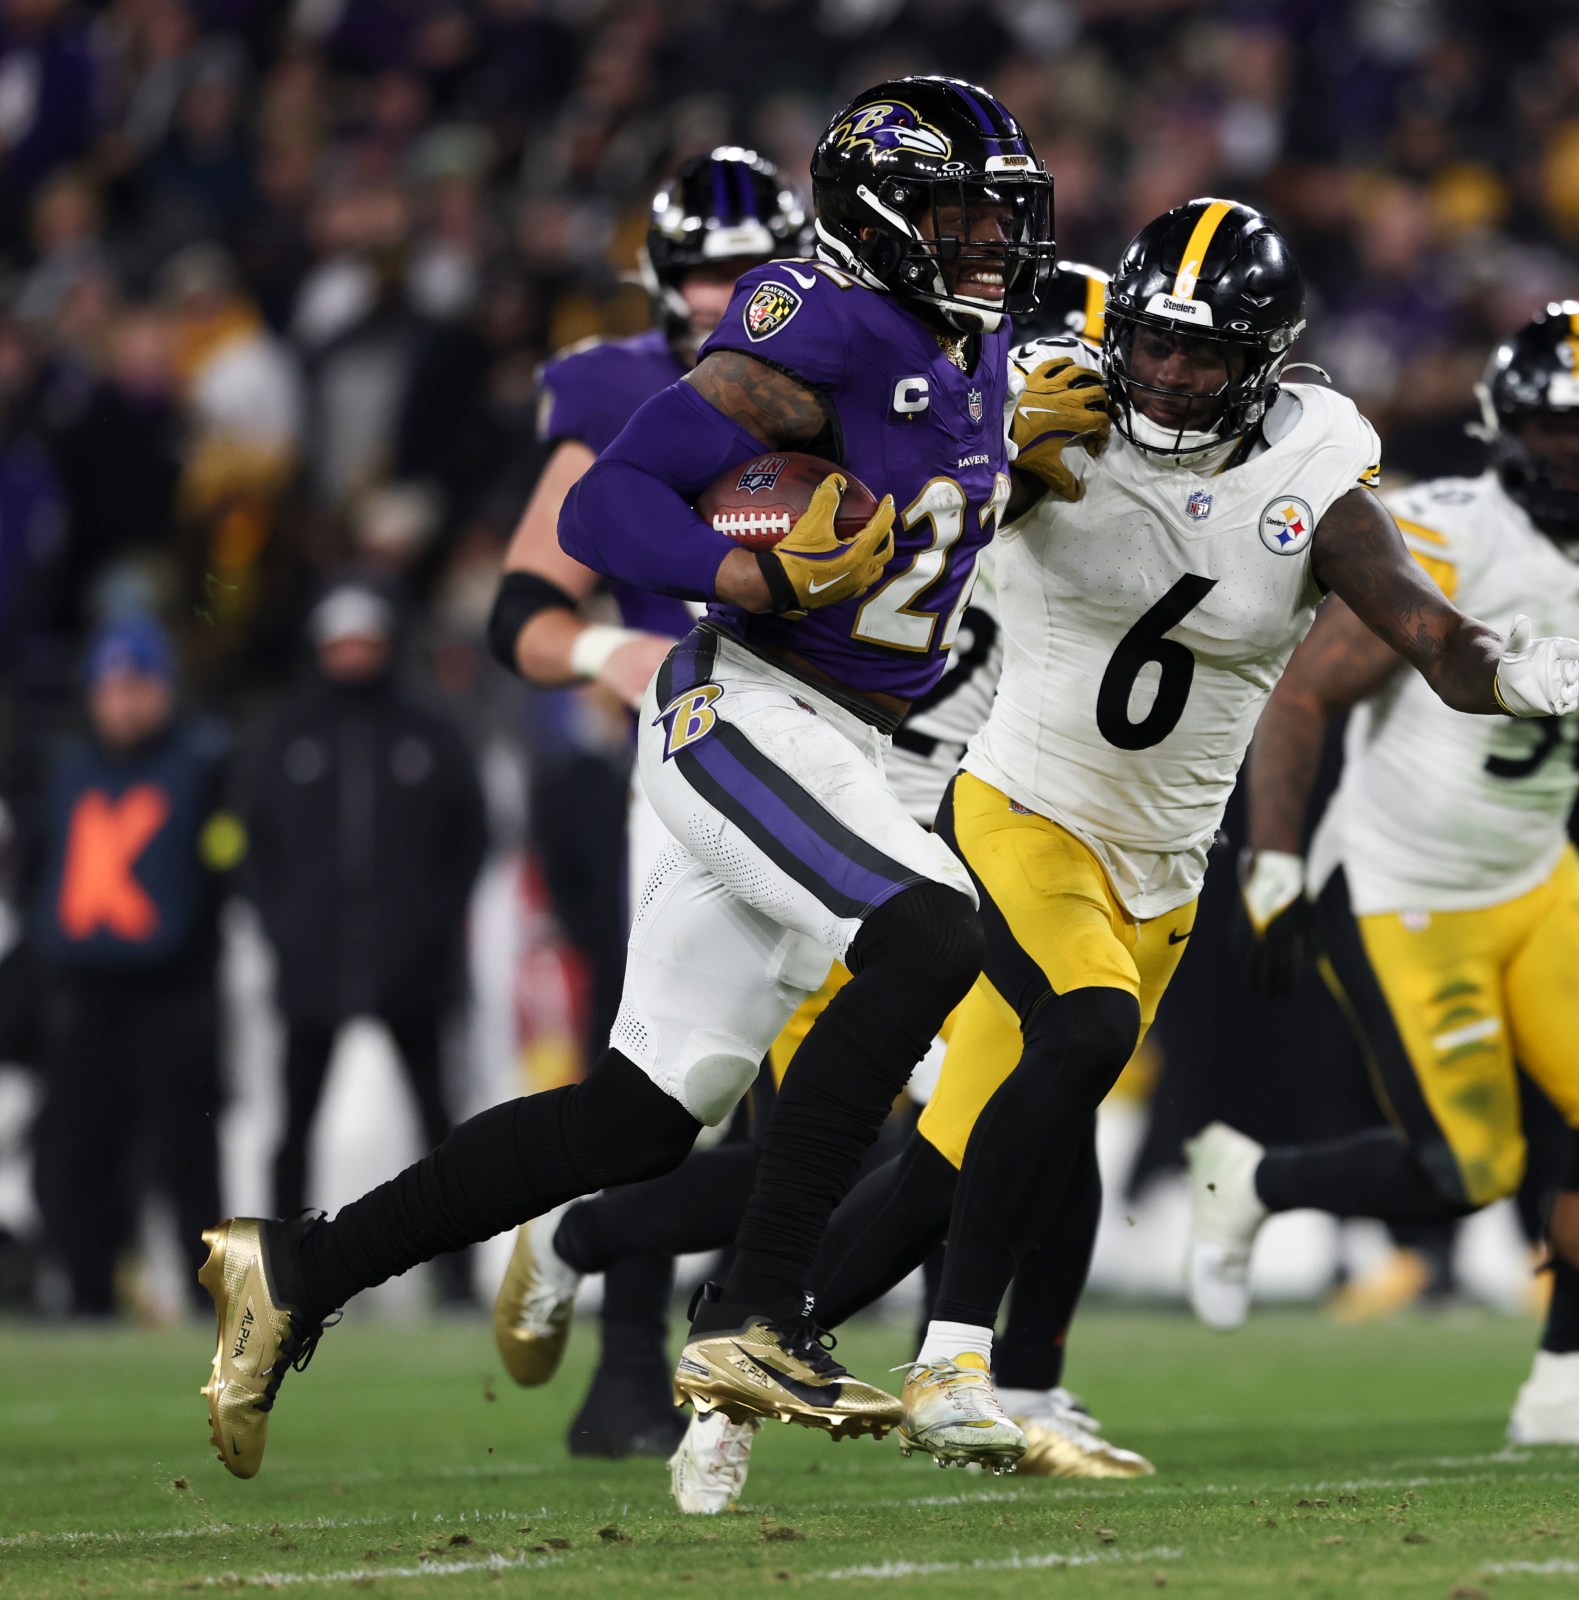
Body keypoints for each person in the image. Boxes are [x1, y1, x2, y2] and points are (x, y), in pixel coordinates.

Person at [196, 77, 1055, 1480]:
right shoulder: (814, 323)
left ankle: (300, 1268)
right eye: (958, 215)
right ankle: (760, 1312)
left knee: (640, 1118)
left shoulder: (990, 347)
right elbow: (605, 504)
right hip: (751, 707)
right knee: (930, 931)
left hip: (860, 746)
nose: (985, 244)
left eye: (998, 218)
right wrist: (744, 567)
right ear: (885, 220)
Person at [803, 199, 1579, 1475]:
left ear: (1263, 361)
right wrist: (982, 461)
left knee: (947, 1167)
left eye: (1205, 352)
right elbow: (893, 533)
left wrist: (1511, 674)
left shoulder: (1312, 468)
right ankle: (955, 1363)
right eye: (1157, 343)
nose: (1169, 373)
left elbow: (1432, 635)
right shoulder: (1052, 409)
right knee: (1089, 1027)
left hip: (1164, 864)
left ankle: (741, 1345)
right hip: (1021, 808)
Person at [494, 263, 1146, 1509]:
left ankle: (1001, 1373)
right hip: (821, 824)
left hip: (935, 835)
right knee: (826, 1153)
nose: (1081, 418)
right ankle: (626, 1276)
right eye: (1061, 387)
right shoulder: (918, 465)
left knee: (1033, 1106)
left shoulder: (1031, 504)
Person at [1182, 304, 1579, 1446]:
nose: (1572, 448)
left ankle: (1565, 1385)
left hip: (1535, 870)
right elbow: (1304, 692)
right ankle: (1249, 1180)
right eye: (1552, 423)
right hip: (1402, 882)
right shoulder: (1448, 534)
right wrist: (1270, 856)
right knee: (1469, 1165)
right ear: (1505, 424)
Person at [484, 146, 805, 1461]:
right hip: (687, 759)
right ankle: (627, 1365)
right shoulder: (620, 386)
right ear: (662, 282)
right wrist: (607, 652)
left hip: (852, 747)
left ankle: (743, 1341)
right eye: (705, 274)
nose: (728, 294)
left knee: (837, 1081)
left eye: (750, 270)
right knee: (676, 1077)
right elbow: (523, 607)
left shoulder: (850, 372)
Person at [241, 584, 488, 1304]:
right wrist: (286, 929)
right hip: (312, 967)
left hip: (414, 967)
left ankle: (456, 1274)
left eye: (365, 642)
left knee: (439, 1125)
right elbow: (253, 849)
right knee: (293, 1125)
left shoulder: (428, 732)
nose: (353, 656)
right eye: (340, 643)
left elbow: (468, 839)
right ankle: (278, 1272)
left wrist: (431, 925)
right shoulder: (285, 734)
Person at [31, 614, 237, 1316]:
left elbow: (224, 870)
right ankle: (87, 1294)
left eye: (138, 683)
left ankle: (206, 1296)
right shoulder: (66, 768)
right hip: (86, 993)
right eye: (111, 686)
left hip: (172, 992)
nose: (124, 700)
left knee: (186, 1154)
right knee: (77, 1153)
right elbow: (42, 873)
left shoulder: (204, 764)